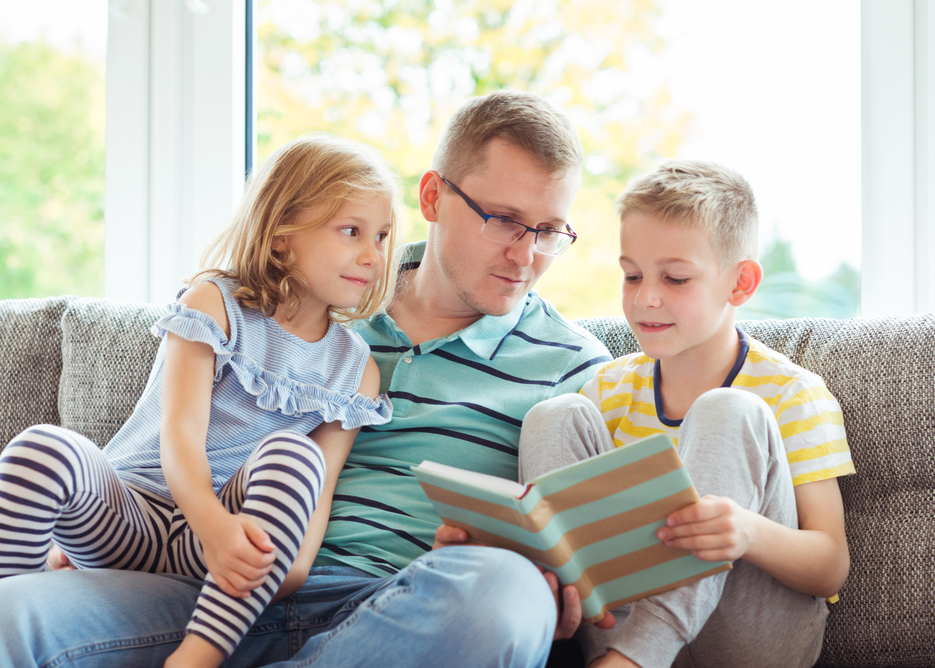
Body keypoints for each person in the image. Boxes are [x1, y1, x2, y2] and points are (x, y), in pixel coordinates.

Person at [0, 90, 613, 668]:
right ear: (432, 198)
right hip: (205, 584)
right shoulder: (295, 305)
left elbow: (598, 562)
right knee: (15, 614)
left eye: (551, 231)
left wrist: (559, 588)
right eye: (505, 220)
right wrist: (85, 529)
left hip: (394, 612)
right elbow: (161, 444)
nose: (526, 255)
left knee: (507, 595)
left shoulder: (576, 368)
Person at [0, 134, 400, 668]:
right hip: (132, 514)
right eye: (351, 231)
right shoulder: (213, 302)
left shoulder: (356, 371)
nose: (373, 255)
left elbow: (316, 496)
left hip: (220, 552)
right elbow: (180, 434)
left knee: (294, 456)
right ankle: (16, 601)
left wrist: (273, 569)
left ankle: (198, 656)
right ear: (282, 236)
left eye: (383, 236)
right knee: (42, 448)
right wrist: (209, 523)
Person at [518, 159, 856, 667]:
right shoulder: (608, 389)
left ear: (740, 284)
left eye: (675, 278)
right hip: (620, 623)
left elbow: (830, 566)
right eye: (632, 275)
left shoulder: (790, 393)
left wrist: (747, 531)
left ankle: (637, 657)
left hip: (746, 637)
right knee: (553, 415)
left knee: (727, 410)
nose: (645, 298)